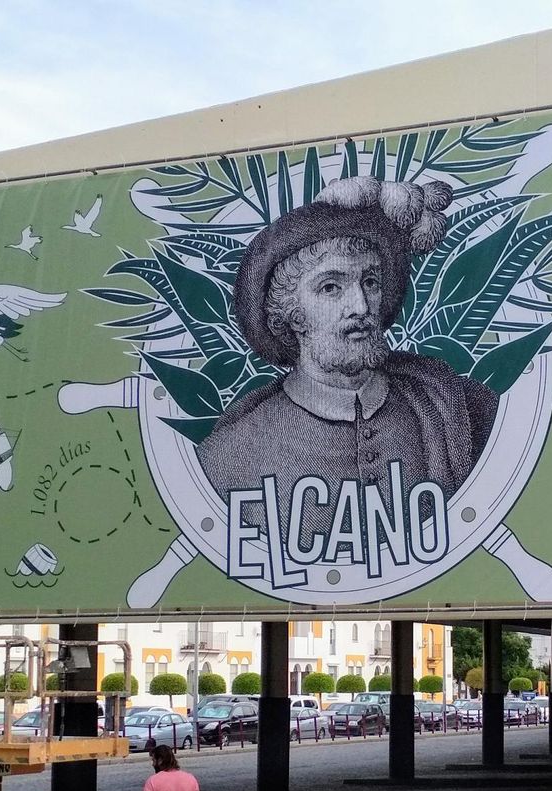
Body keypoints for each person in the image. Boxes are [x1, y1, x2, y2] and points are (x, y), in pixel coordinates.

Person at [198, 175, 499, 530]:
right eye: (331, 287)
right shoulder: (232, 454)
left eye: (370, 282)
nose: (361, 305)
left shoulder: (458, 406)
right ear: (289, 313)